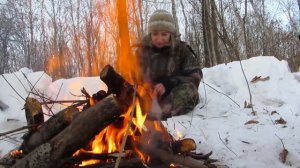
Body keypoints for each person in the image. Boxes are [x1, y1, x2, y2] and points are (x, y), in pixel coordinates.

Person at [137, 10, 203, 120]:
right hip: (149, 96)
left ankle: (159, 114)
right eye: (155, 34)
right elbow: (132, 76)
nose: (159, 39)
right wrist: (146, 87)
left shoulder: (181, 50)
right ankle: (143, 111)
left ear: (170, 34)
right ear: (150, 33)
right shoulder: (141, 51)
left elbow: (195, 75)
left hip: (173, 95)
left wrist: (169, 83)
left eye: (164, 34)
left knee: (190, 90)